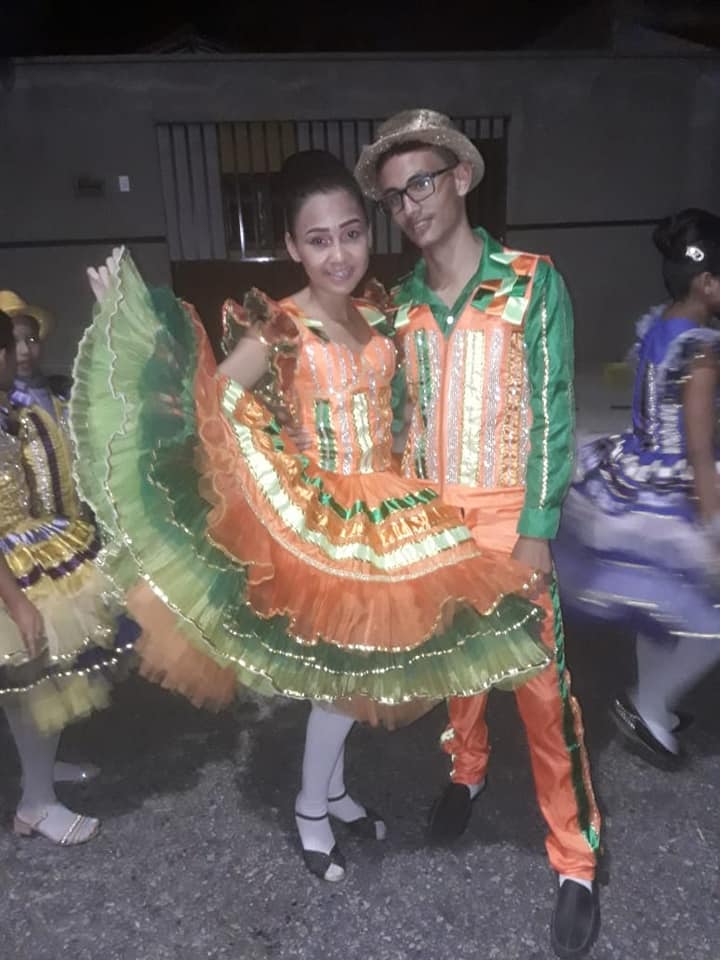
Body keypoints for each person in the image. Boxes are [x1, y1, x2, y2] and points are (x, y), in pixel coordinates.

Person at [72, 150, 553, 883]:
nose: (339, 254)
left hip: (391, 510)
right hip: (326, 519)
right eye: (319, 239)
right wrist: (134, 329)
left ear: (368, 231)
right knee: (344, 682)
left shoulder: (376, 313)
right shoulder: (281, 326)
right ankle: (309, 808)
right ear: (293, 246)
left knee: (362, 671)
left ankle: (333, 792)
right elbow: (209, 403)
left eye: (351, 233)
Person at [356, 109, 600, 959]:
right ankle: (465, 772)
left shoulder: (531, 283)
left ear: (461, 177)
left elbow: (553, 413)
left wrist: (537, 528)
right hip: (434, 524)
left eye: (421, 182)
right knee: (454, 669)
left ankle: (575, 857)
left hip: (508, 520)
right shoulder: (401, 307)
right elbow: (394, 424)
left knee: (543, 694)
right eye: (394, 197)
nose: (410, 206)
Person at [554, 208, 720, 761]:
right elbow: (699, 449)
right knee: (710, 616)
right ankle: (649, 704)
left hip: (636, 465)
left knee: (659, 599)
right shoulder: (702, 350)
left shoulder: (661, 324)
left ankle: (653, 702)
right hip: (675, 482)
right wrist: (713, 525)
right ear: (707, 282)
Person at [0, 308, 132, 844]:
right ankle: (35, 804)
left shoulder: (10, 411)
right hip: (11, 566)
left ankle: (40, 773)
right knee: (34, 681)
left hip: (30, 546)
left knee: (39, 681)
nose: (18, 356)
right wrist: (18, 602)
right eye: (10, 347)